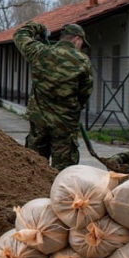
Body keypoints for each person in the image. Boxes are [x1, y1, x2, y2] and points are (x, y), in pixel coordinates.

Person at [13, 22, 94, 172]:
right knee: (64, 172)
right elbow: (85, 93)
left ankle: (35, 193)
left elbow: (20, 34)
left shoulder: (39, 52)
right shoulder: (82, 61)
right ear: (77, 39)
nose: (81, 47)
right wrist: (71, 109)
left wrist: (40, 28)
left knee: (34, 168)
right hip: (65, 124)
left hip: (39, 123)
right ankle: (60, 195)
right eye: (81, 43)